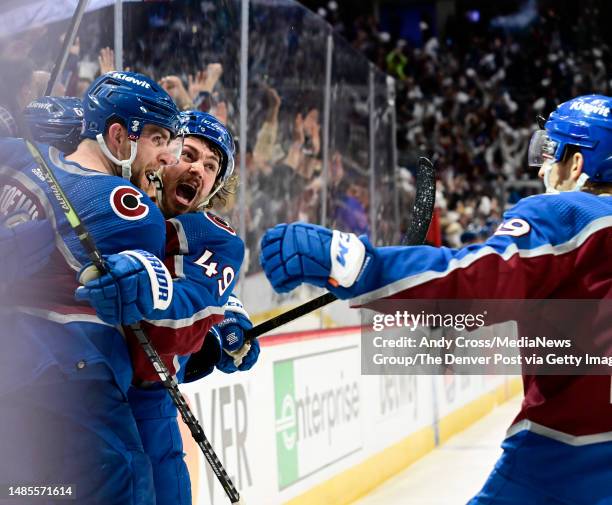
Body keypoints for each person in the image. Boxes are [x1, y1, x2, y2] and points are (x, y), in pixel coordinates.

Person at [259, 94, 612, 504]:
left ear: (577, 163)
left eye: (552, 152)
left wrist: (360, 265)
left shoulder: (571, 214)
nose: (545, 167)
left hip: (568, 459)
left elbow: (476, 284)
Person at [23, 100, 259, 504]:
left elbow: (189, 308)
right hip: (67, 380)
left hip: (145, 403)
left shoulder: (209, 235)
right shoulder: (108, 193)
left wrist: (215, 321)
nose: (197, 170)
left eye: (210, 168)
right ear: (161, 154)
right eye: (188, 154)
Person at [0, 71, 185, 505]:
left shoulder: (14, 157)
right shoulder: (130, 209)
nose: (166, 158)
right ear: (119, 136)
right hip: (78, 394)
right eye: (158, 140)